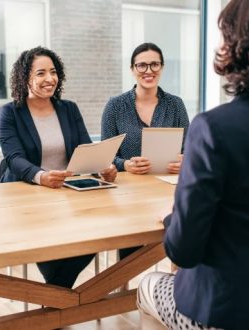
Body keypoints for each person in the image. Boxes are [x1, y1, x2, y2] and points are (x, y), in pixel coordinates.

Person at [0, 46, 117, 325]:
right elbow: (13, 158)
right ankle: (58, 306)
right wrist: (41, 176)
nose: (49, 78)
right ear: (25, 78)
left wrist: (101, 166)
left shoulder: (69, 109)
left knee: (97, 233)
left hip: (69, 195)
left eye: (53, 72)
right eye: (40, 73)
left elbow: (84, 148)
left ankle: (53, 302)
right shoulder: (10, 112)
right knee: (49, 246)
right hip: (26, 197)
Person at [137, 0, 249, 329]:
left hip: (228, 311)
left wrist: (174, 219)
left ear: (239, 46)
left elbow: (182, 252)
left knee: (147, 286)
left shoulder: (215, 128)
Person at [101, 42, 189, 260]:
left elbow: (190, 148)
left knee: (177, 241)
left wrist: (185, 160)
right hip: (128, 192)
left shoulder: (176, 105)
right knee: (129, 252)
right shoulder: (115, 106)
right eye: (141, 65)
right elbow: (106, 155)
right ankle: (123, 289)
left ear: (162, 67)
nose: (148, 71)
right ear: (132, 69)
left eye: (154, 64)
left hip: (167, 190)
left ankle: (174, 287)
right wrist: (125, 165)